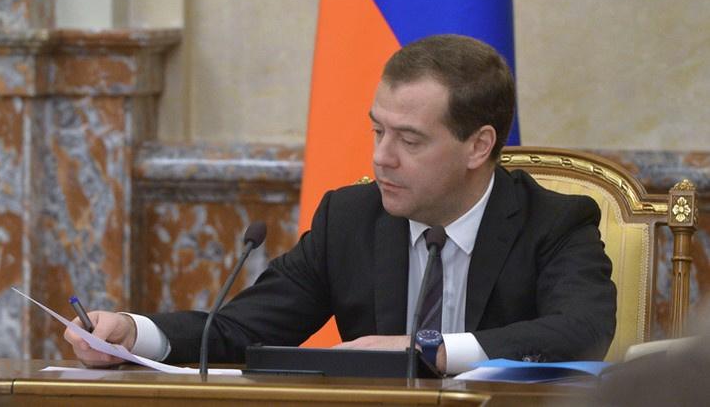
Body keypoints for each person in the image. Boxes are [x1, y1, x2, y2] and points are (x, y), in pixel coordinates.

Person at [64, 34, 616, 375]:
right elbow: (240, 331)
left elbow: (583, 331)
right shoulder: (350, 218)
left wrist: (426, 349)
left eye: (410, 140)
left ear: (478, 146)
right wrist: (135, 334)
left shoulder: (554, 223)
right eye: (378, 131)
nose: (381, 158)